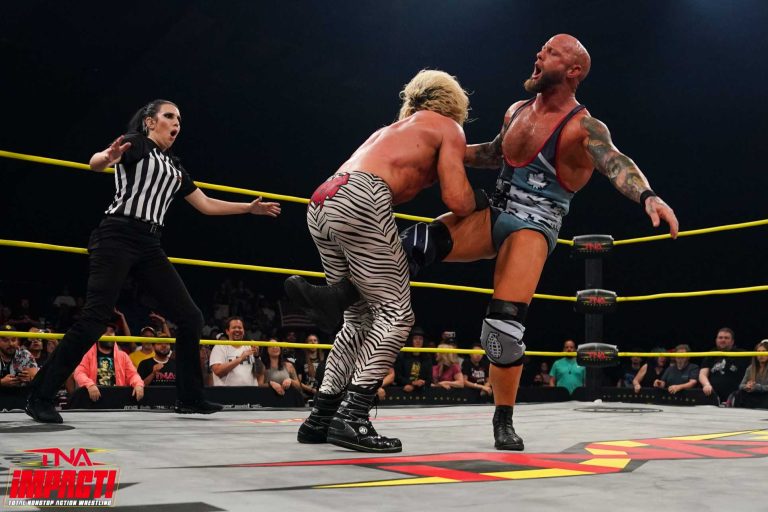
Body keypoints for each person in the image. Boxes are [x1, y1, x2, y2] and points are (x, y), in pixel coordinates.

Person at [286, 35, 679, 451]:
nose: (539, 54)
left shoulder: (584, 127)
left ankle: (503, 418)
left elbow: (615, 161)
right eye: (541, 49)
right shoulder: (516, 111)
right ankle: (340, 302)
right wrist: (437, 146)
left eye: (551, 52)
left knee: (503, 327)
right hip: (494, 210)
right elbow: (493, 153)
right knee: (411, 244)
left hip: (533, 225)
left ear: (573, 70)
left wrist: (647, 196)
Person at [25, 99, 281, 423]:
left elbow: (205, 204)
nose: (176, 124)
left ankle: (189, 398)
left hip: (149, 244)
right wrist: (107, 157)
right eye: (169, 116)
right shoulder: (136, 144)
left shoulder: (174, 166)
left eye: (179, 120)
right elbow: (95, 163)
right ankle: (40, 396)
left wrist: (248, 208)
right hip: (117, 234)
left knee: (191, 317)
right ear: (149, 121)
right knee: (95, 319)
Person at [287, 70, 484, 453]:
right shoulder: (448, 128)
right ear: (454, 101)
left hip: (324, 198)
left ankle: (320, 417)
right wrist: (482, 202)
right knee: (396, 313)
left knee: (358, 318)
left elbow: (470, 155)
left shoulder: (397, 130)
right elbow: (458, 201)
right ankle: (353, 416)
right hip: (363, 198)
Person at [698, 327, 749, 405]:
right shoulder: (711, 354)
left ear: (732, 341)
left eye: (726, 338)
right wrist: (706, 385)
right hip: (712, 397)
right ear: (716, 340)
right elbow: (702, 374)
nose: (723, 340)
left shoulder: (742, 354)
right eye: (720, 338)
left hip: (735, 398)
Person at [733, 340, 768, 409]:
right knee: (738, 394)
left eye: (764, 352)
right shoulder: (750, 368)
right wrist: (747, 386)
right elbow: (741, 385)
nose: (761, 355)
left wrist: (757, 387)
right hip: (753, 396)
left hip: (765, 396)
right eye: (758, 352)